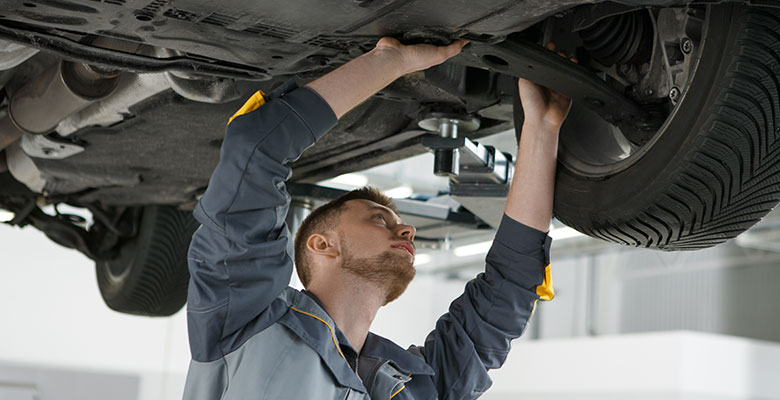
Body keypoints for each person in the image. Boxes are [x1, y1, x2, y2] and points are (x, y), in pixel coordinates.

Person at [182, 37, 573, 400]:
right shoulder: (413, 388)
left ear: (323, 244)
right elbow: (513, 286)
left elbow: (255, 148)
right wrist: (543, 128)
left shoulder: (243, 317)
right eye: (384, 220)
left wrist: (389, 61)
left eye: (379, 220)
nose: (408, 228)